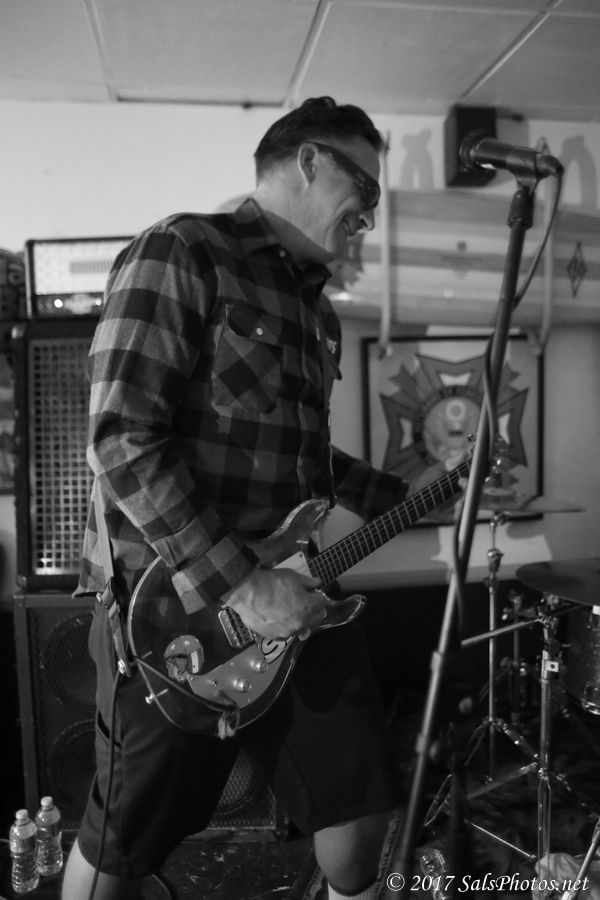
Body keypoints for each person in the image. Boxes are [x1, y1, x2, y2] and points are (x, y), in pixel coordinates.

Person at [62, 96, 451, 900]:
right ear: (308, 160)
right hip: (175, 614)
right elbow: (122, 439)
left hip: (298, 598)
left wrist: (410, 494)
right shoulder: (184, 251)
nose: (369, 217)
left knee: (359, 820)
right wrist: (243, 584)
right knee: (123, 847)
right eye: (364, 190)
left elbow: (304, 464)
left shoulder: (317, 315)